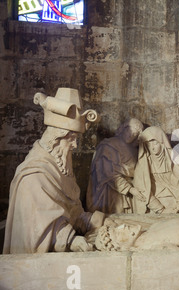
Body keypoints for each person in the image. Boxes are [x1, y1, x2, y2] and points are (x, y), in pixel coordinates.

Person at [3, 88, 104, 254]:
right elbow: (40, 230)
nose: (75, 145)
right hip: (36, 266)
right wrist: (71, 239)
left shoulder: (60, 165)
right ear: (58, 137)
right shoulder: (34, 176)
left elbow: (71, 212)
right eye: (72, 138)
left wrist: (93, 220)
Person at [86, 118, 145, 214]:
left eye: (135, 133)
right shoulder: (107, 146)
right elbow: (107, 172)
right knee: (113, 215)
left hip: (128, 191)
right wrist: (129, 189)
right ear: (123, 128)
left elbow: (137, 170)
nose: (131, 134)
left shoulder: (134, 150)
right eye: (129, 130)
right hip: (109, 190)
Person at [133, 126, 179, 214]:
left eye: (155, 143)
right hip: (155, 201)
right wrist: (160, 209)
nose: (152, 147)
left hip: (176, 197)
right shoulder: (143, 163)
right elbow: (142, 189)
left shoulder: (173, 157)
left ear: (162, 143)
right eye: (149, 144)